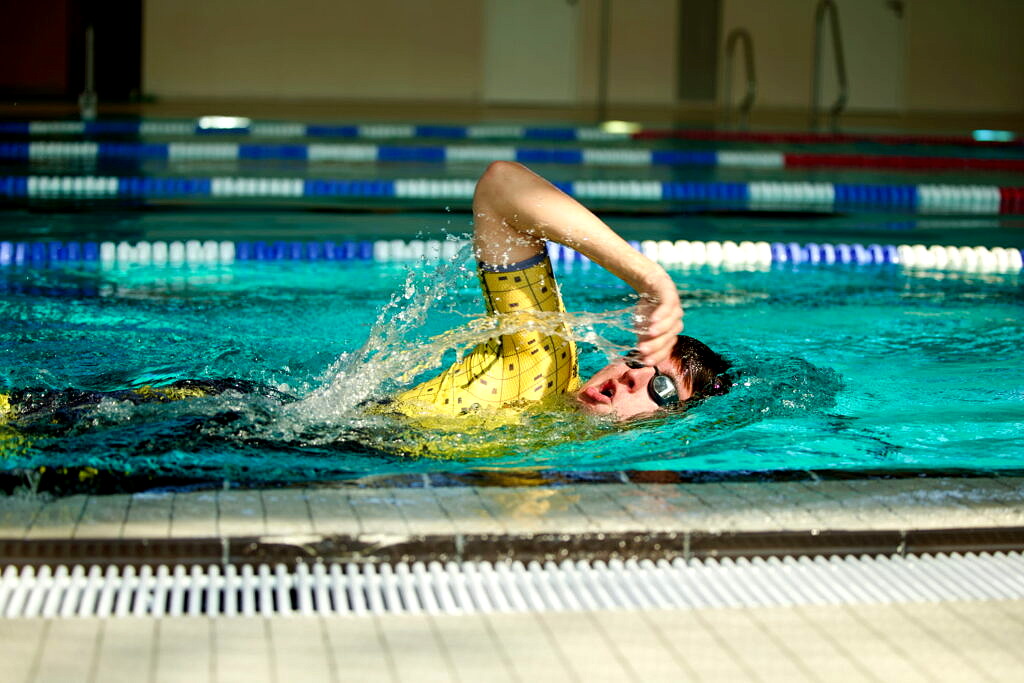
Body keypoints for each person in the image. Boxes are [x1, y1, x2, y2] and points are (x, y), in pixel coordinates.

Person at [383, 161, 730, 421]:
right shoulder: (543, 366)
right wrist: (650, 279)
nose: (633, 375)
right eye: (637, 359)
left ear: (669, 421)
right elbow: (502, 185)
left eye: (662, 387)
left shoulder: (563, 456)